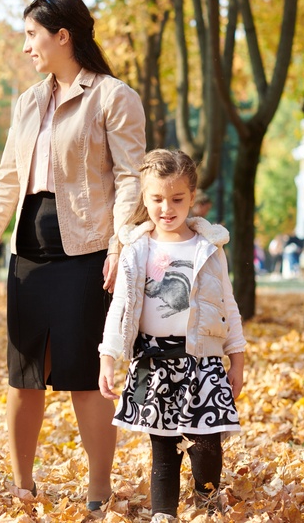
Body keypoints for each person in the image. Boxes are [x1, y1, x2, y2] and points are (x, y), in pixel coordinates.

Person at [0, 0, 146, 510]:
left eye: (33, 35)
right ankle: (23, 487)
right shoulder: (28, 101)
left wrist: (121, 244)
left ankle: (99, 493)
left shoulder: (113, 97)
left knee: (84, 376)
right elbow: (7, 180)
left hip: (88, 253)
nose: (28, 46)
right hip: (29, 255)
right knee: (24, 376)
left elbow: (130, 179)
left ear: (63, 35)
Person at [98, 149, 245, 520]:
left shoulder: (208, 248)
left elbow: (227, 305)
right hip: (154, 364)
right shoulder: (136, 250)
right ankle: (164, 513)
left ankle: (207, 503)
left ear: (192, 198)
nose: (167, 207)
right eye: (157, 199)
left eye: (177, 199)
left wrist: (237, 360)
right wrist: (108, 357)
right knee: (163, 451)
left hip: (203, 361)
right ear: (144, 199)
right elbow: (120, 309)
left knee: (205, 445)